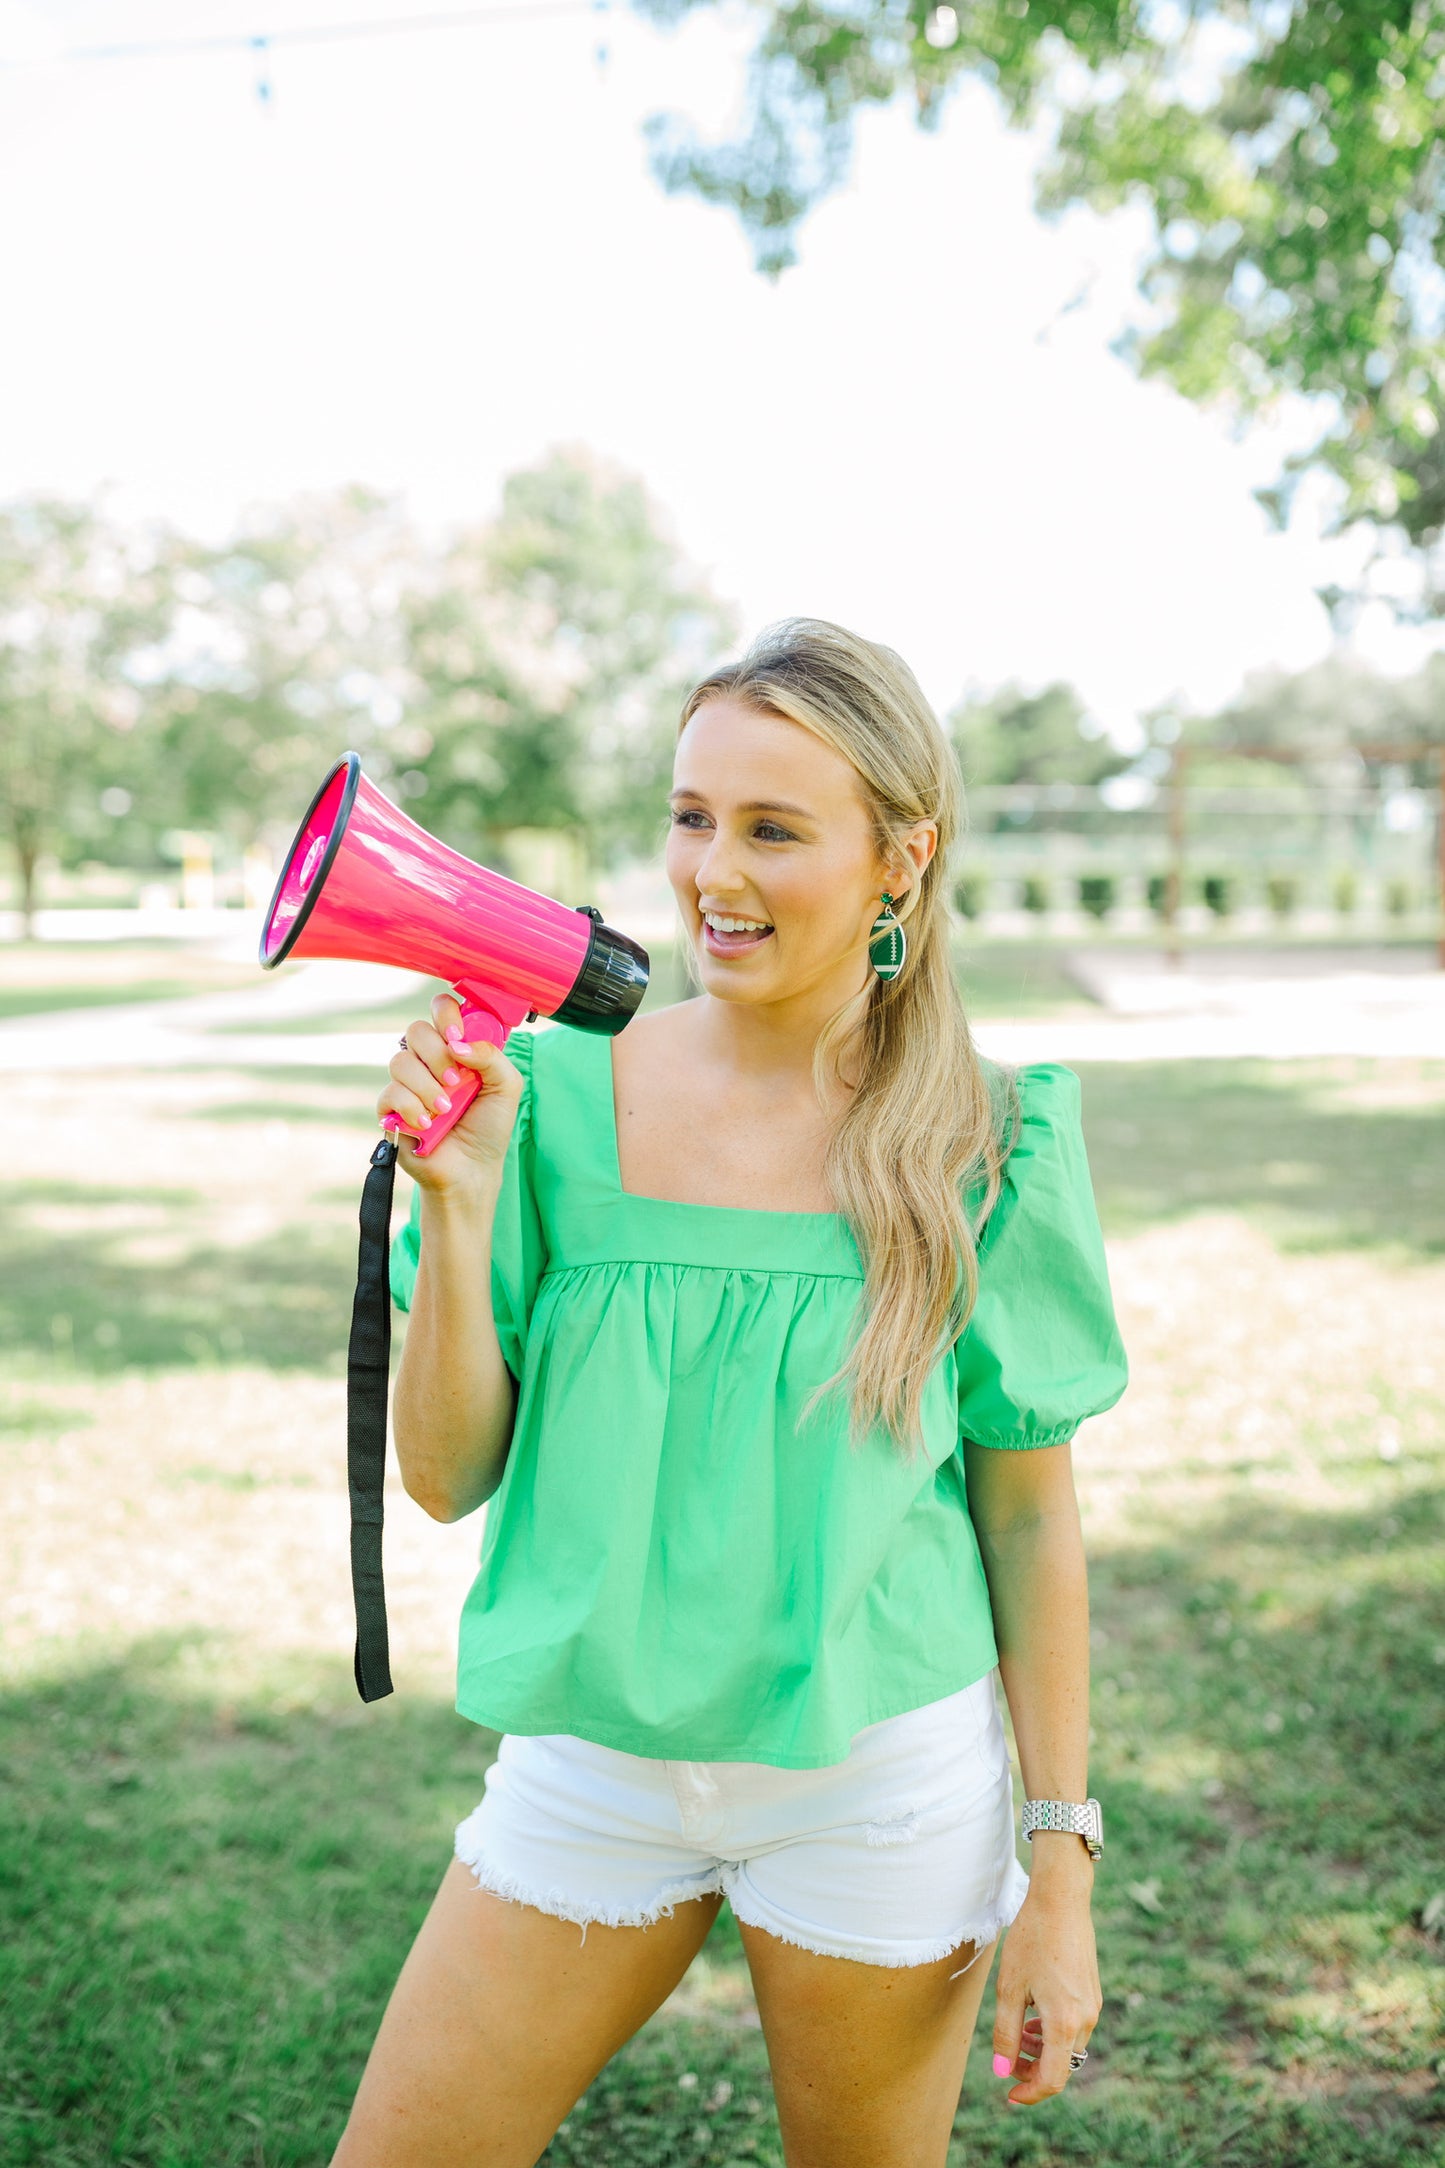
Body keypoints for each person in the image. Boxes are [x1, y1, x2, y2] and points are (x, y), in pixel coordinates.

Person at [333, 617, 1128, 2168]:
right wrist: (469, 1195)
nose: (714, 873)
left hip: (877, 1783)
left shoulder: (990, 1136)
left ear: (902, 858)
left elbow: (1029, 1521)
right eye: (692, 816)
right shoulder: (556, 1092)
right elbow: (440, 1480)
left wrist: (1063, 1870)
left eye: (774, 828)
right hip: (592, 1764)